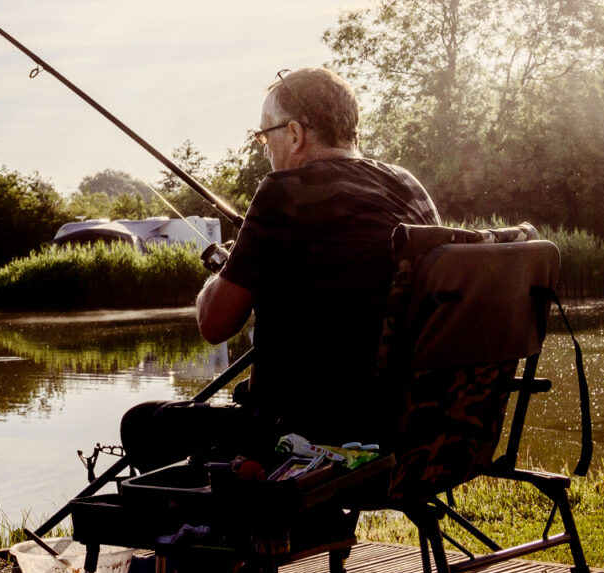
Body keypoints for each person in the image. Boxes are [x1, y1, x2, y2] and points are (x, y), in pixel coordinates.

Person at [120, 67, 438, 473]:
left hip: (313, 439)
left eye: (264, 136)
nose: (265, 149)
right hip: (414, 432)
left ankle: (216, 532)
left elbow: (214, 323)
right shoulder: (409, 186)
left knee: (144, 423)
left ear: (294, 134)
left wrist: (222, 274)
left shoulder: (286, 191)